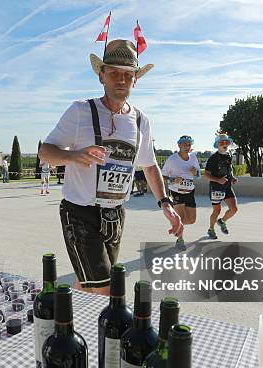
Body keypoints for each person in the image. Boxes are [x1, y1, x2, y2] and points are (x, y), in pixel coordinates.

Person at [38, 39, 183, 295]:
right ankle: (112, 334)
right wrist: (73, 157)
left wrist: (166, 203)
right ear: (101, 76)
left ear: (135, 79)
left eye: (127, 74)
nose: (121, 79)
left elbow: (150, 166)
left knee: (86, 283)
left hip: (115, 214)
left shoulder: (141, 120)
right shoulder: (81, 111)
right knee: (107, 289)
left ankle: (68, 321)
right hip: (80, 212)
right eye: (114, 73)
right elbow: (45, 152)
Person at [162, 135, 201, 249]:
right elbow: (162, 176)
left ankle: (176, 223)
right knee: (180, 216)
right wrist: (173, 180)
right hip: (176, 192)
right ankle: (180, 240)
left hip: (190, 192)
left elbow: (198, 175)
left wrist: (195, 172)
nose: (187, 147)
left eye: (189, 145)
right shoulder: (172, 159)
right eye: (184, 144)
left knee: (191, 220)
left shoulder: (193, 157)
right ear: (179, 145)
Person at [204, 132, 239, 239]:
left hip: (227, 187)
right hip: (216, 188)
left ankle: (222, 221)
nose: (225, 144)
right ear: (217, 145)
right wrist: (218, 180)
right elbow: (206, 175)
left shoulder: (228, 156)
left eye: (227, 142)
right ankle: (211, 229)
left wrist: (232, 177)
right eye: (222, 142)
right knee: (217, 211)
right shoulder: (213, 158)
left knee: (234, 209)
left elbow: (230, 169)